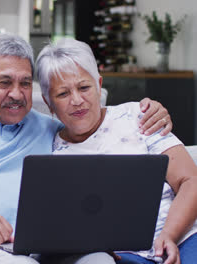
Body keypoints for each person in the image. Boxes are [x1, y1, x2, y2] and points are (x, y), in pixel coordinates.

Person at [0, 33, 172, 264]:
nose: (17, 94)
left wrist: (147, 111)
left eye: (25, 83)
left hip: (47, 250)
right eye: (5, 82)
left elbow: (94, 119)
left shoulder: (50, 127)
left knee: (100, 260)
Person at [36, 38, 197, 264]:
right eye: (62, 94)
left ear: (99, 85)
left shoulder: (138, 117)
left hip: (182, 237)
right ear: (48, 102)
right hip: (118, 256)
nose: (76, 100)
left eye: (84, 87)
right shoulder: (49, 150)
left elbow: (190, 180)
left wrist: (169, 235)